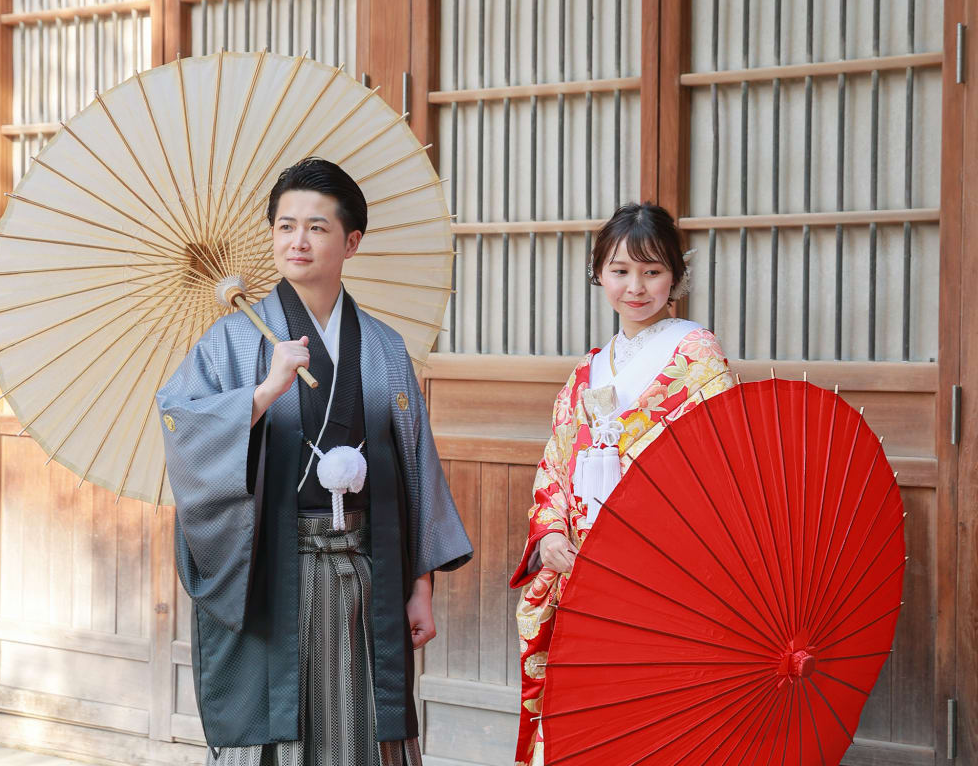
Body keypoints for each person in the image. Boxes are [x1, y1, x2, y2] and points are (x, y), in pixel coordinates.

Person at [158, 157, 473, 766]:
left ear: (351, 242)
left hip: (367, 575)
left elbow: (415, 471)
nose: (297, 241)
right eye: (284, 226)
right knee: (276, 733)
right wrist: (262, 392)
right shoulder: (230, 341)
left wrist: (421, 587)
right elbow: (183, 429)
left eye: (317, 227)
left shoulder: (382, 347)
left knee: (361, 730)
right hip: (269, 574)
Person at [509, 202, 734, 766]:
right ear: (599, 274)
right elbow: (557, 460)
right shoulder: (588, 369)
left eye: (652, 271)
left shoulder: (697, 355)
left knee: (652, 707)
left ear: (676, 277)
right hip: (580, 565)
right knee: (581, 705)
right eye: (620, 271)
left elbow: (718, 464)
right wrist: (550, 533)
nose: (636, 287)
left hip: (659, 562)